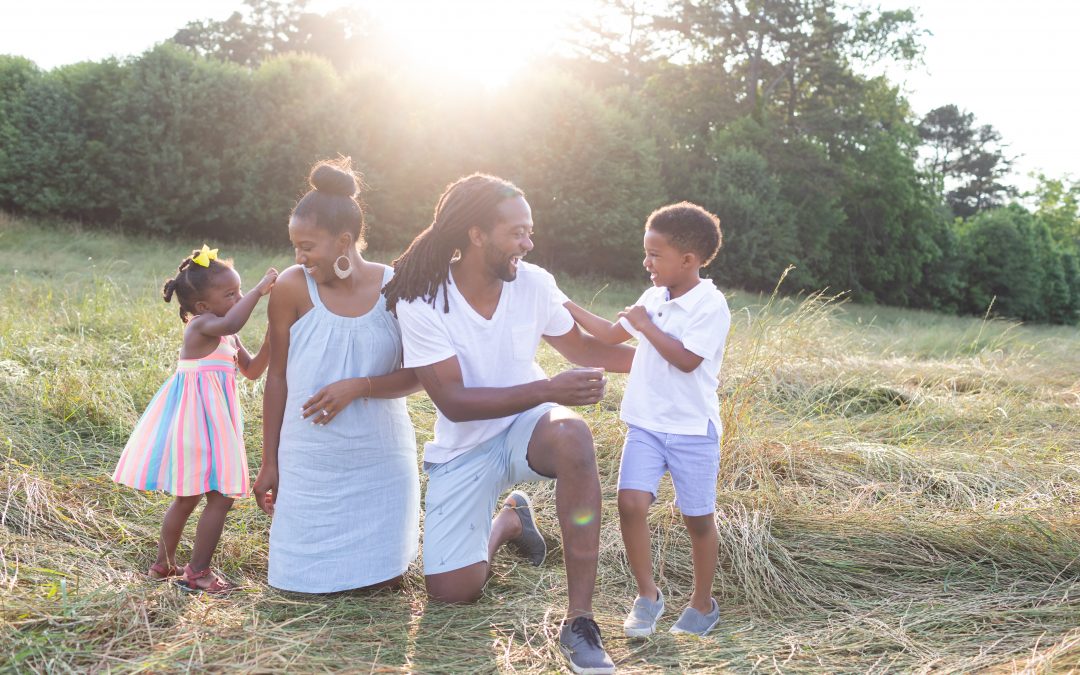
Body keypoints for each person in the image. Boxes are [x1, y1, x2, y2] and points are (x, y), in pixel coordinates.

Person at [384, 173, 633, 675]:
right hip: (465, 444)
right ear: (476, 234)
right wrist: (548, 388)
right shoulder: (422, 298)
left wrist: (677, 365)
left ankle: (580, 621)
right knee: (453, 593)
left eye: (530, 231)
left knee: (573, 434)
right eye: (516, 232)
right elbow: (453, 402)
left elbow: (584, 348)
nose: (528, 243)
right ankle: (510, 521)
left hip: (530, 428)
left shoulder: (534, 283)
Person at [253, 159, 421, 594]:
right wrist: (269, 460)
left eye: (308, 246)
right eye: (295, 246)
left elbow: (420, 376)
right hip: (310, 461)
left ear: (344, 241)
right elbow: (277, 379)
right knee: (296, 587)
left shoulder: (397, 287)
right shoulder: (292, 287)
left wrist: (360, 387)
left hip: (379, 462)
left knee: (381, 588)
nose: (299, 257)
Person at [565, 202, 729, 638]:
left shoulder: (710, 305)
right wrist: (560, 302)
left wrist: (645, 325)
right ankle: (647, 595)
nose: (646, 262)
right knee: (630, 502)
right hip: (647, 424)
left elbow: (687, 360)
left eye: (655, 254)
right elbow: (607, 333)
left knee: (697, 519)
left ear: (688, 260)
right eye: (647, 252)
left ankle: (702, 603)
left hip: (693, 429)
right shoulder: (652, 298)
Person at [112, 246, 277, 594]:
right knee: (216, 497)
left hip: (214, 423)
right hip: (198, 424)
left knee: (191, 498)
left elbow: (252, 371)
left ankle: (163, 565)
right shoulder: (202, 327)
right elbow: (234, 319)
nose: (240, 297)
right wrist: (261, 290)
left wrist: (271, 339)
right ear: (202, 306)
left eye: (241, 290)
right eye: (231, 294)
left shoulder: (226, 333)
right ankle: (197, 571)